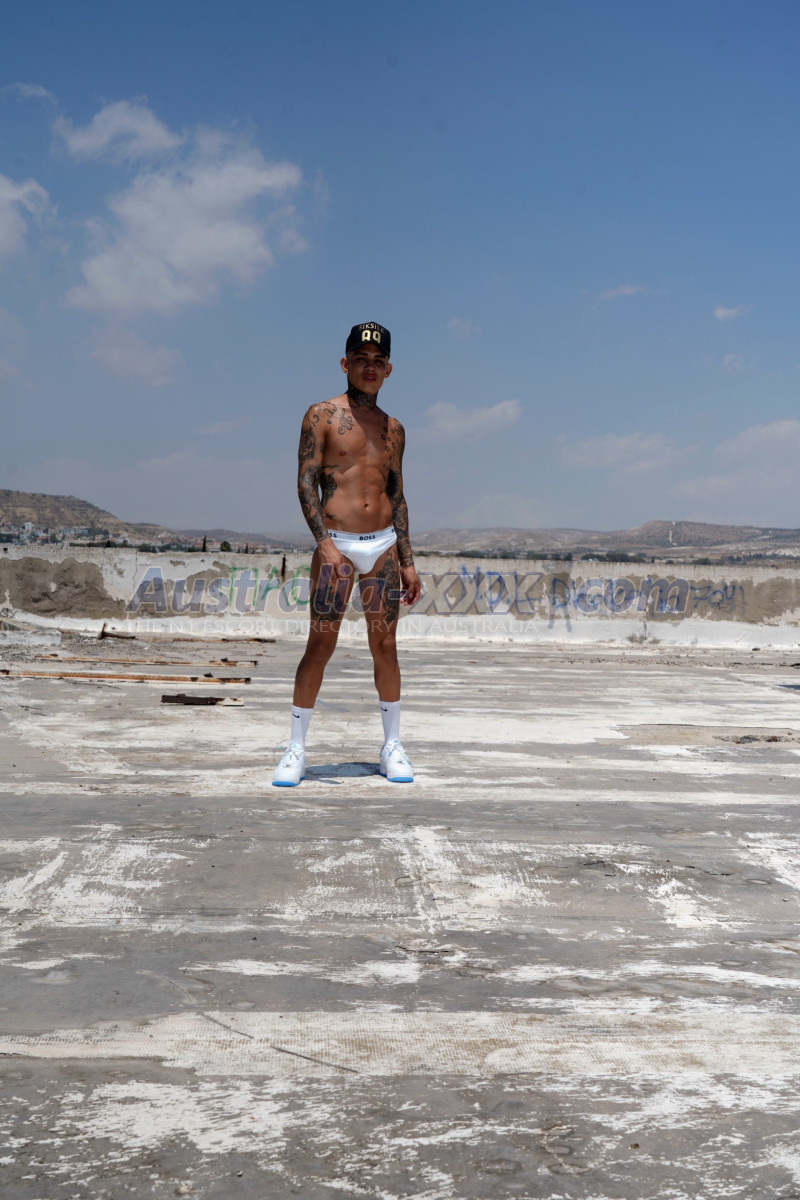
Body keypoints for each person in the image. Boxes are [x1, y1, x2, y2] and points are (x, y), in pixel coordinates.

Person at [272, 321, 421, 787]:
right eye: (361, 359)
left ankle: (392, 745)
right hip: (336, 543)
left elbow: (396, 494)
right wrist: (324, 544)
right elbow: (305, 481)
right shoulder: (320, 415)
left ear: (389, 369)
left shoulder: (395, 429)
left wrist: (408, 559)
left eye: (378, 361)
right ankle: (296, 749)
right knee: (320, 645)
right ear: (345, 363)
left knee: (386, 647)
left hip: (383, 547)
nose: (369, 367)